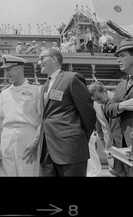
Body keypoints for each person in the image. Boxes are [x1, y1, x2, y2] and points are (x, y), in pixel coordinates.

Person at [37, 48, 96, 176]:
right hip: (48, 151)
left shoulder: (72, 78)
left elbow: (88, 112)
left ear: (54, 59)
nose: (38, 62)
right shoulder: (45, 85)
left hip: (70, 149)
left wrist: (80, 137)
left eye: (42, 58)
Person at [0, 55, 42, 176]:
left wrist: (36, 141)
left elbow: (42, 118)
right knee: (7, 173)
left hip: (27, 135)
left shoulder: (36, 90)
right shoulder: (4, 93)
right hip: (6, 137)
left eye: (9, 69)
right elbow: (0, 119)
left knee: (28, 173)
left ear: (19, 68)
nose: (6, 73)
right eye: (5, 70)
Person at [105, 38, 133, 175]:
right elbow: (108, 109)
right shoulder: (122, 84)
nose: (118, 60)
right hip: (120, 149)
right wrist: (123, 105)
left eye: (122, 55)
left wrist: (118, 106)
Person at [88, 81, 126, 177]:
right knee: (115, 172)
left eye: (99, 98)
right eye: (95, 100)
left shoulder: (119, 99)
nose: (97, 101)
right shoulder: (96, 106)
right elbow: (99, 129)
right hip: (111, 149)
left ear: (105, 91)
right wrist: (106, 145)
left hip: (124, 147)